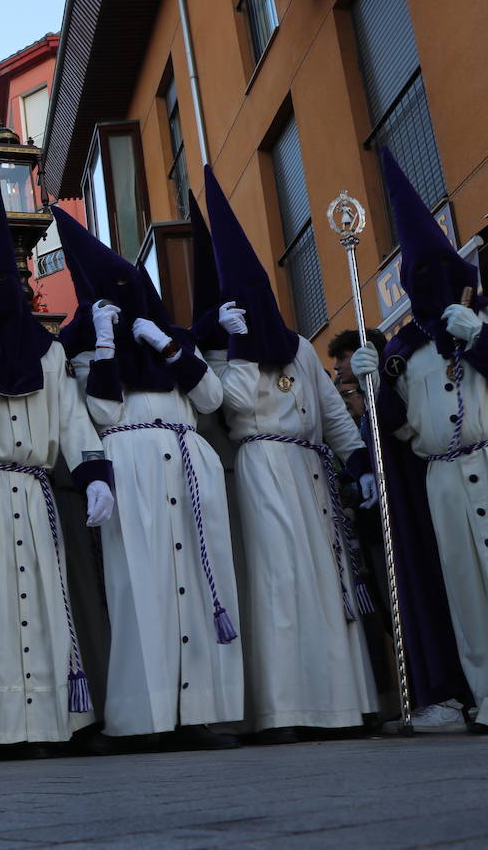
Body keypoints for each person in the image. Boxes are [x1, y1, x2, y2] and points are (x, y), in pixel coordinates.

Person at [0, 140, 115, 760]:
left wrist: (93, 474)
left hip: (31, 489)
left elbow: (72, 417)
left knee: (36, 599)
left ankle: (43, 724)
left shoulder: (49, 350)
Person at [351, 149, 488, 733]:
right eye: (419, 281)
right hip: (444, 478)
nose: (431, 287)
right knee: (470, 594)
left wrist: (481, 337)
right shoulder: (406, 353)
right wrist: (374, 383)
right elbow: (400, 431)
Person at [52, 204, 242, 752]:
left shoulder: (171, 336)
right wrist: (108, 345)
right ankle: (144, 716)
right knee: (139, 585)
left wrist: (167, 345)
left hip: (186, 458)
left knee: (201, 582)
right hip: (128, 463)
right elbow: (104, 415)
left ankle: (202, 712)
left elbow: (210, 398)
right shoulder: (89, 346)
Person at [202, 166, 377, 742]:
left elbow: (332, 417)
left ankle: (343, 703)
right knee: (278, 580)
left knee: (328, 581)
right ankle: (285, 709)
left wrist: (358, 464)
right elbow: (227, 406)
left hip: (309, 471)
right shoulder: (231, 353)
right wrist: (238, 349)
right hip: (262, 468)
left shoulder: (300, 346)